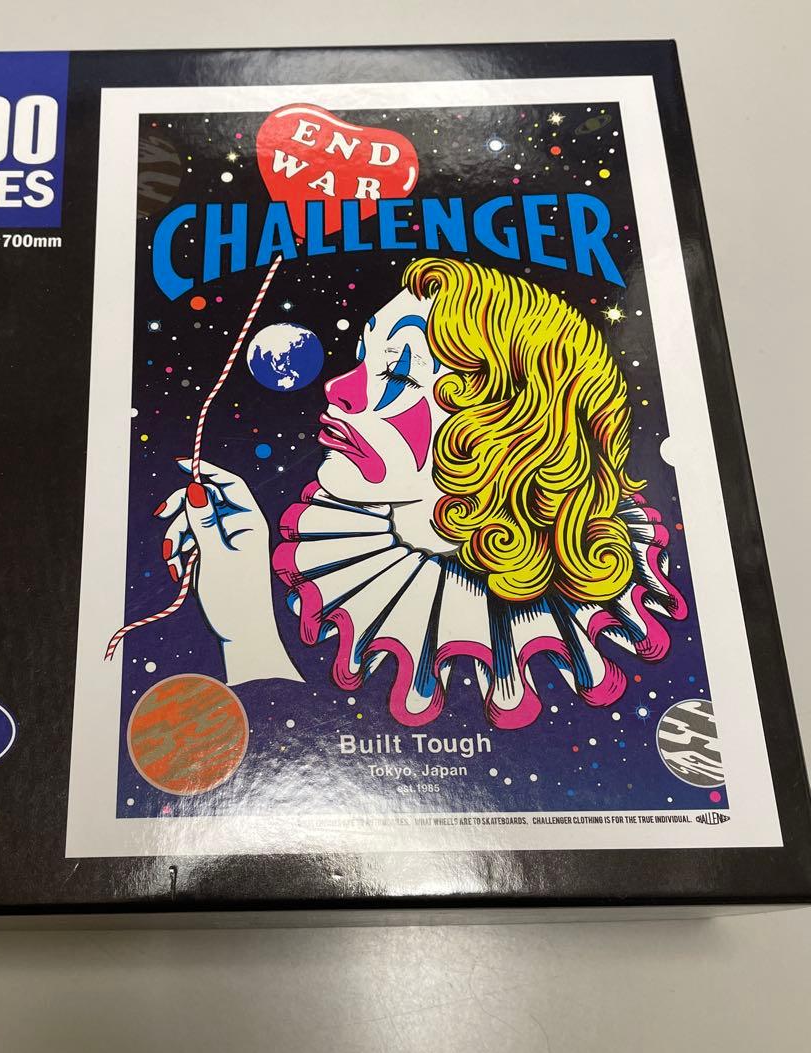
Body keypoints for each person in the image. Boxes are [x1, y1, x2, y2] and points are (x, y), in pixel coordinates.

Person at [154, 258, 686, 729]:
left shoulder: (567, 644)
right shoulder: (337, 542)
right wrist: (243, 622)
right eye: (362, 358)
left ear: (516, 429)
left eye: (399, 374)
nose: (339, 389)